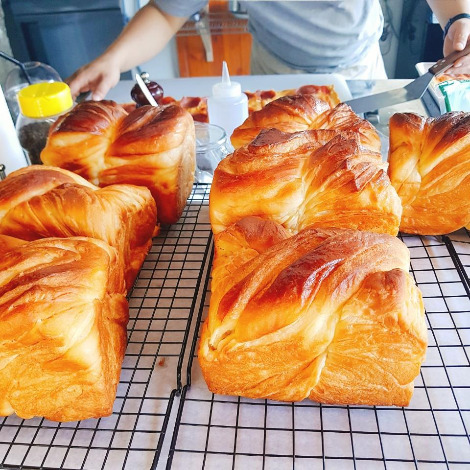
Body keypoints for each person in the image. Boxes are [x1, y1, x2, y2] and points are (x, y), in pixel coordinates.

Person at [67, 0, 470, 101]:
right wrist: (113, 60)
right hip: (273, 68)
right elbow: (164, 12)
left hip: (355, 66)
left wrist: (458, 18)